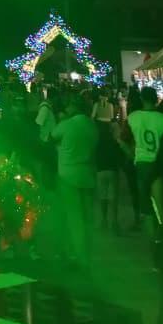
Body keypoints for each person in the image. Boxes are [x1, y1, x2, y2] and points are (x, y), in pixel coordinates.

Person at [51, 95, 99, 269]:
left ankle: (79, 256)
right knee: (87, 217)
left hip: (67, 174)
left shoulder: (66, 124)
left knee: (74, 218)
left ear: (72, 107)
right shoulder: (91, 125)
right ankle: (87, 253)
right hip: (87, 173)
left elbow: (51, 137)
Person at [128, 85, 163, 231]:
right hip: (161, 165)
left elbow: (122, 139)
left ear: (141, 99)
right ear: (156, 100)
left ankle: (153, 241)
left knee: (147, 208)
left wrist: (132, 153)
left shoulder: (133, 117)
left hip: (142, 164)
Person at [95, 121, 122, 230]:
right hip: (112, 171)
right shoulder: (113, 142)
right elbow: (119, 156)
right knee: (113, 198)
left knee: (103, 197)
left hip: (100, 171)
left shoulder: (97, 143)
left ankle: (103, 221)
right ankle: (114, 223)